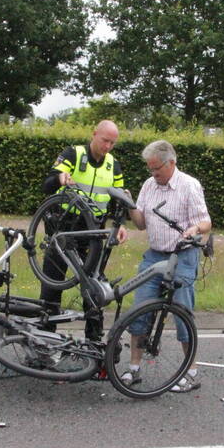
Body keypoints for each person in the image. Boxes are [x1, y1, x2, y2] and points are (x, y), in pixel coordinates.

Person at [125, 140, 211, 393]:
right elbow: (141, 224)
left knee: (182, 311)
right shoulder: (148, 186)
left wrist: (194, 229)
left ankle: (190, 372)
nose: (153, 174)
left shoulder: (189, 185)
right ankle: (133, 369)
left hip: (183, 256)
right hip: (154, 256)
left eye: (157, 169)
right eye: (150, 169)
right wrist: (130, 206)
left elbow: (205, 221)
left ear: (171, 163)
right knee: (140, 308)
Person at [39, 120, 127, 341]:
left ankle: (94, 342)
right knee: (51, 288)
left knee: (94, 290)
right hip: (65, 230)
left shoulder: (113, 165)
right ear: (94, 134)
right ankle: (45, 341)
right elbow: (47, 184)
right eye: (105, 140)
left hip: (92, 233)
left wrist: (121, 223)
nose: (107, 146)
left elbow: (118, 200)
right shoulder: (73, 154)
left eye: (112, 143)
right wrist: (60, 178)